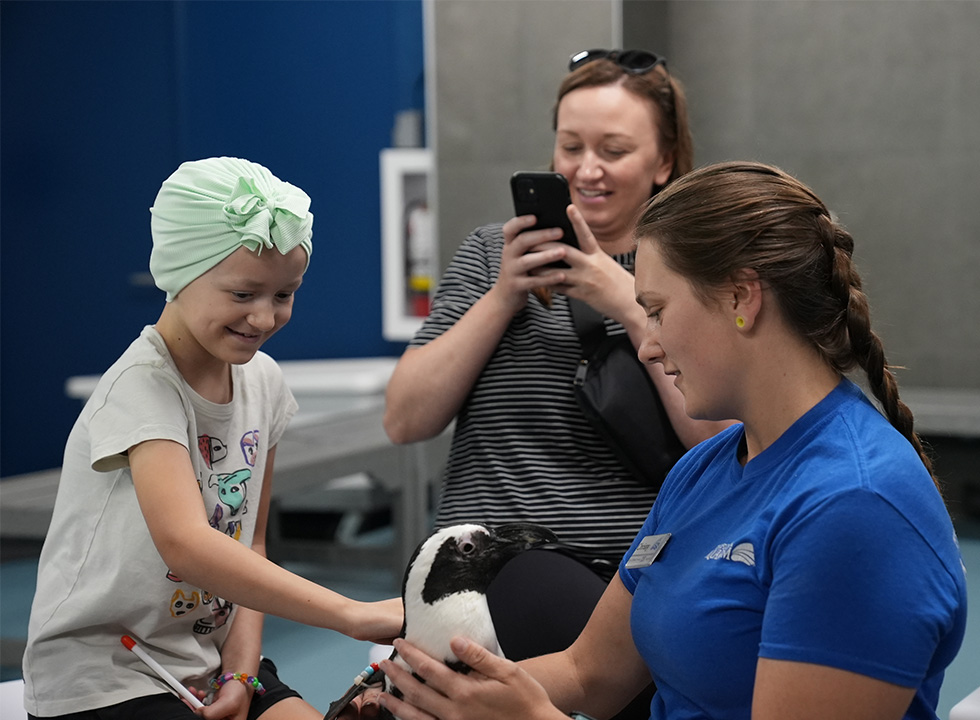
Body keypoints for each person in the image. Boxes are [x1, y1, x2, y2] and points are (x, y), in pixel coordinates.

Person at [369, 161, 968, 720]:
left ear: (741, 298)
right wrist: (440, 694)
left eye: (655, 311)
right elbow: (590, 672)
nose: (648, 345)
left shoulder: (854, 505)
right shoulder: (705, 467)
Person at [22, 157, 402, 720]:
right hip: (105, 677)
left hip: (207, 656)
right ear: (179, 273)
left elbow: (248, 543)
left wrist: (242, 670)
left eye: (284, 294)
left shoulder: (263, 382)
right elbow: (187, 545)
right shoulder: (141, 388)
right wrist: (351, 614)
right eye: (244, 294)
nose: (265, 317)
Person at [384, 49, 730, 584]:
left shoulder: (695, 271)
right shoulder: (488, 255)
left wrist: (630, 305)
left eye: (613, 150)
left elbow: (723, 441)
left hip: (620, 584)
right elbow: (405, 420)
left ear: (663, 162)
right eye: (571, 146)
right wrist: (503, 296)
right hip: (474, 579)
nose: (586, 169)